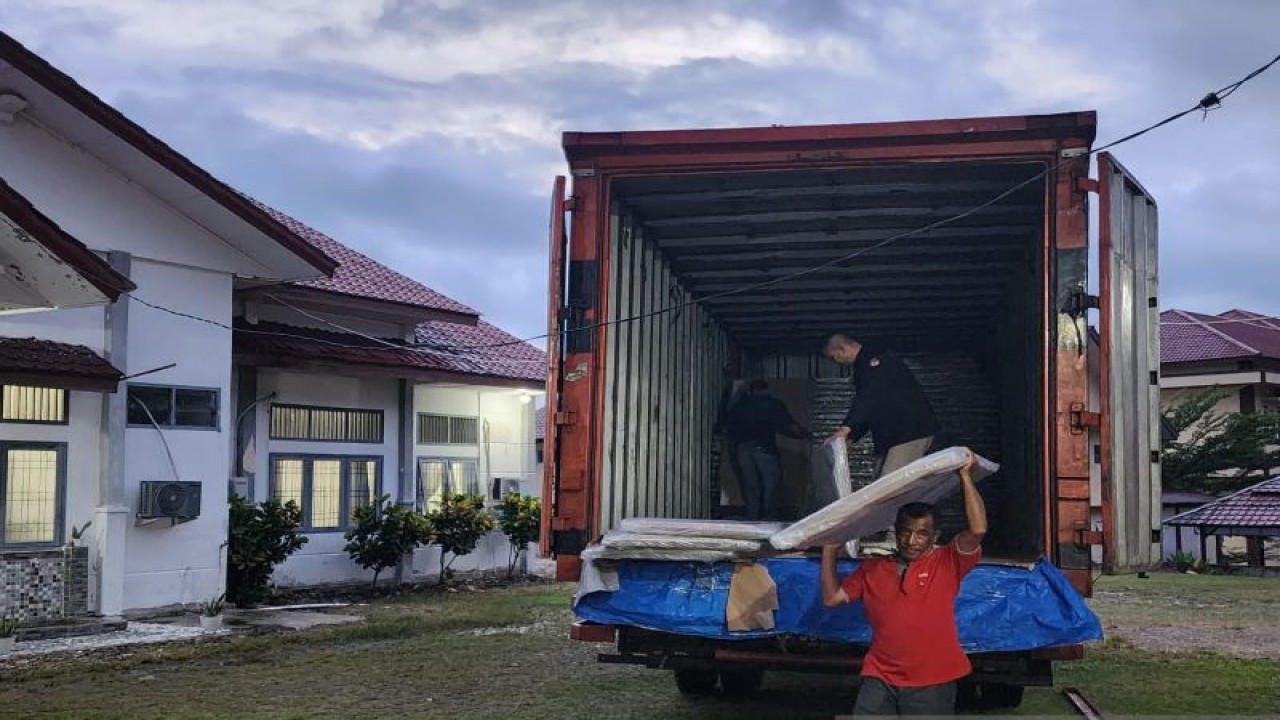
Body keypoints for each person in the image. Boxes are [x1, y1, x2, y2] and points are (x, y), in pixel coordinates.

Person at [820, 450, 986, 718]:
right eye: (905, 532)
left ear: (935, 537)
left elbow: (977, 530)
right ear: (895, 532)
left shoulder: (947, 563)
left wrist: (965, 476)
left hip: (932, 678)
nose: (911, 541)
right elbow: (832, 598)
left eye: (922, 534)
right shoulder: (874, 568)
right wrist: (829, 552)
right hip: (880, 674)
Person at [825, 333, 940, 479]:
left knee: (890, 484)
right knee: (880, 483)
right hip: (893, 435)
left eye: (833, 357)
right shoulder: (863, 366)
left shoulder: (876, 359)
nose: (836, 362)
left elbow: (869, 396)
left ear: (842, 348)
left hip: (909, 431)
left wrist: (847, 427)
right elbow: (870, 408)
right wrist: (850, 438)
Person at [722, 379, 809, 520]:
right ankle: (769, 518)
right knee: (771, 484)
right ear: (766, 389)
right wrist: (807, 435)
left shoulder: (740, 405)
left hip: (743, 449)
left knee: (751, 485)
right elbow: (787, 425)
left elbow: (727, 427)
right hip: (763, 447)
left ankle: (753, 518)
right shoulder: (772, 405)